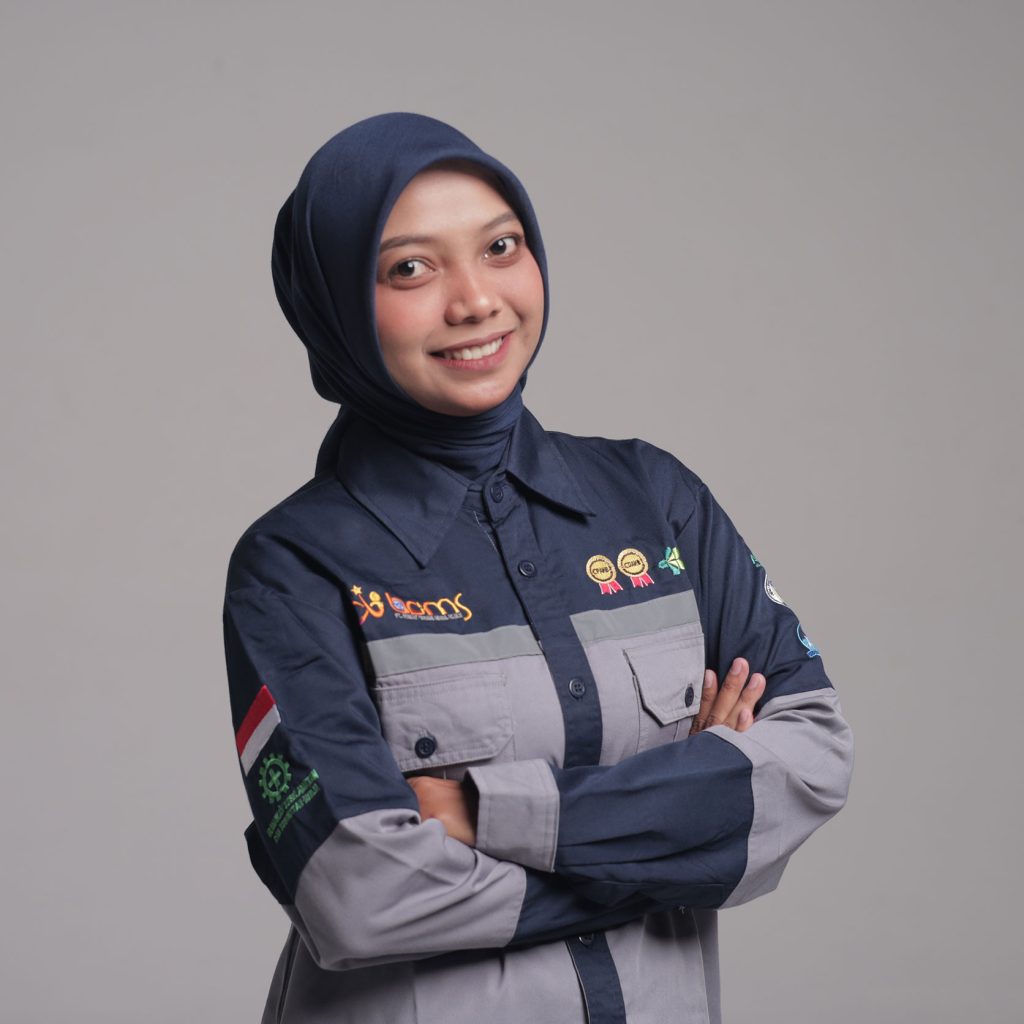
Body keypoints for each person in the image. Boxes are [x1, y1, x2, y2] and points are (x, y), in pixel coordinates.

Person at [223, 112, 853, 1024]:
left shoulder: (657, 500)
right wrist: (685, 837)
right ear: (335, 304)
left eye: (500, 247)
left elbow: (813, 759)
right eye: (410, 269)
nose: (475, 301)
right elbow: (358, 897)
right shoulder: (293, 567)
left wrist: (482, 813)